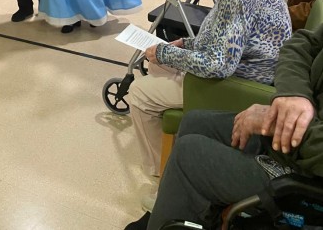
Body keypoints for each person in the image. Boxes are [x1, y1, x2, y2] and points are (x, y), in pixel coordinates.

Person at [128, 0, 291, 211]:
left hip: (241, 86)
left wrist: (165, 54)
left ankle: (164, 179)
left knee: (139, 94)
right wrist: (185, 44)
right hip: (250, 72)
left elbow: (218, 65)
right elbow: (226, 38)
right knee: (157, 66)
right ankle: (173, 150)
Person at [127, 25, 323, 230]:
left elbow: (217, 63)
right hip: (297, 128)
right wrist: (294, 95)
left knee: (189, 155)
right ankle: (175, 211)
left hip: (308, 170)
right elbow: (301, 42)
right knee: (195, 122)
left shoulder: (243, 4)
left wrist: (281, 124)